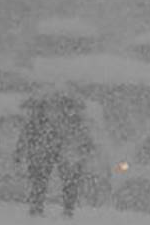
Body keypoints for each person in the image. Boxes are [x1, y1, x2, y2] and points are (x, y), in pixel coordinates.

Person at [15, 90, 95, 218]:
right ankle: (59, 209)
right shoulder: (61, 122)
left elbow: (27, 137)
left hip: (49, 155)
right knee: (53, 182)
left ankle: (41, 207)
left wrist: (21, 152)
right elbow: (81, 140)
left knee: (42, 182)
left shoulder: (52, 122)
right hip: (54, 155)